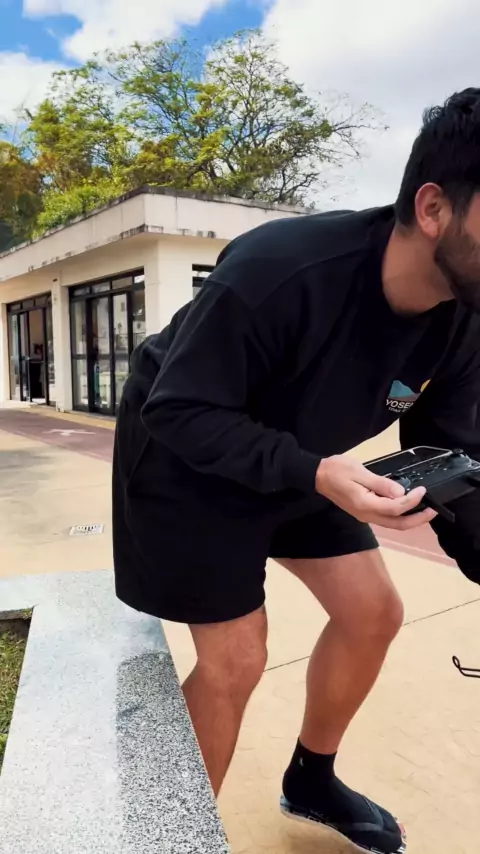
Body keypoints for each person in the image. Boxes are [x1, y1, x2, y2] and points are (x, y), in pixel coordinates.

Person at [112, 88, 480, 854]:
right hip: (185, 453)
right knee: (236, 658)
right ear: (434, 207)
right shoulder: (282, 268)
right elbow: (180, 408)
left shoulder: (465, 319)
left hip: (304, 462)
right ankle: (162, 841)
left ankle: (311, 779)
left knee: (374, 610)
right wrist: (315, 472)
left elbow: (451, 457)